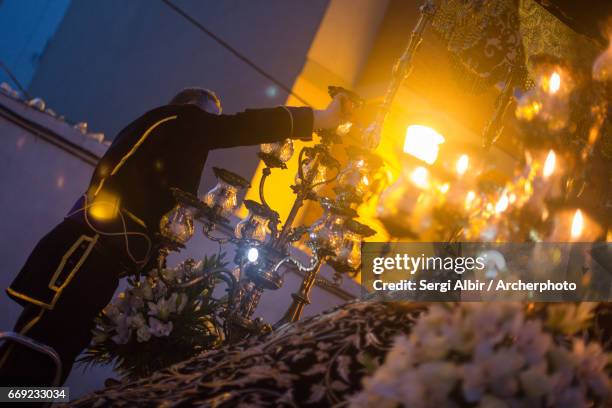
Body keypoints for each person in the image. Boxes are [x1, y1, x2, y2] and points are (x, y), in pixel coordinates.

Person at [0, 87, 352, 386]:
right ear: (191, 110)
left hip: (97, 263)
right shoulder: (177, 121)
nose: (210, 130)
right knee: (33, 351)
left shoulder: (167, 134)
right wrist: (320, 118)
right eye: (209, 120)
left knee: (54, 361)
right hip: (81, 260)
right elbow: (243, 126)